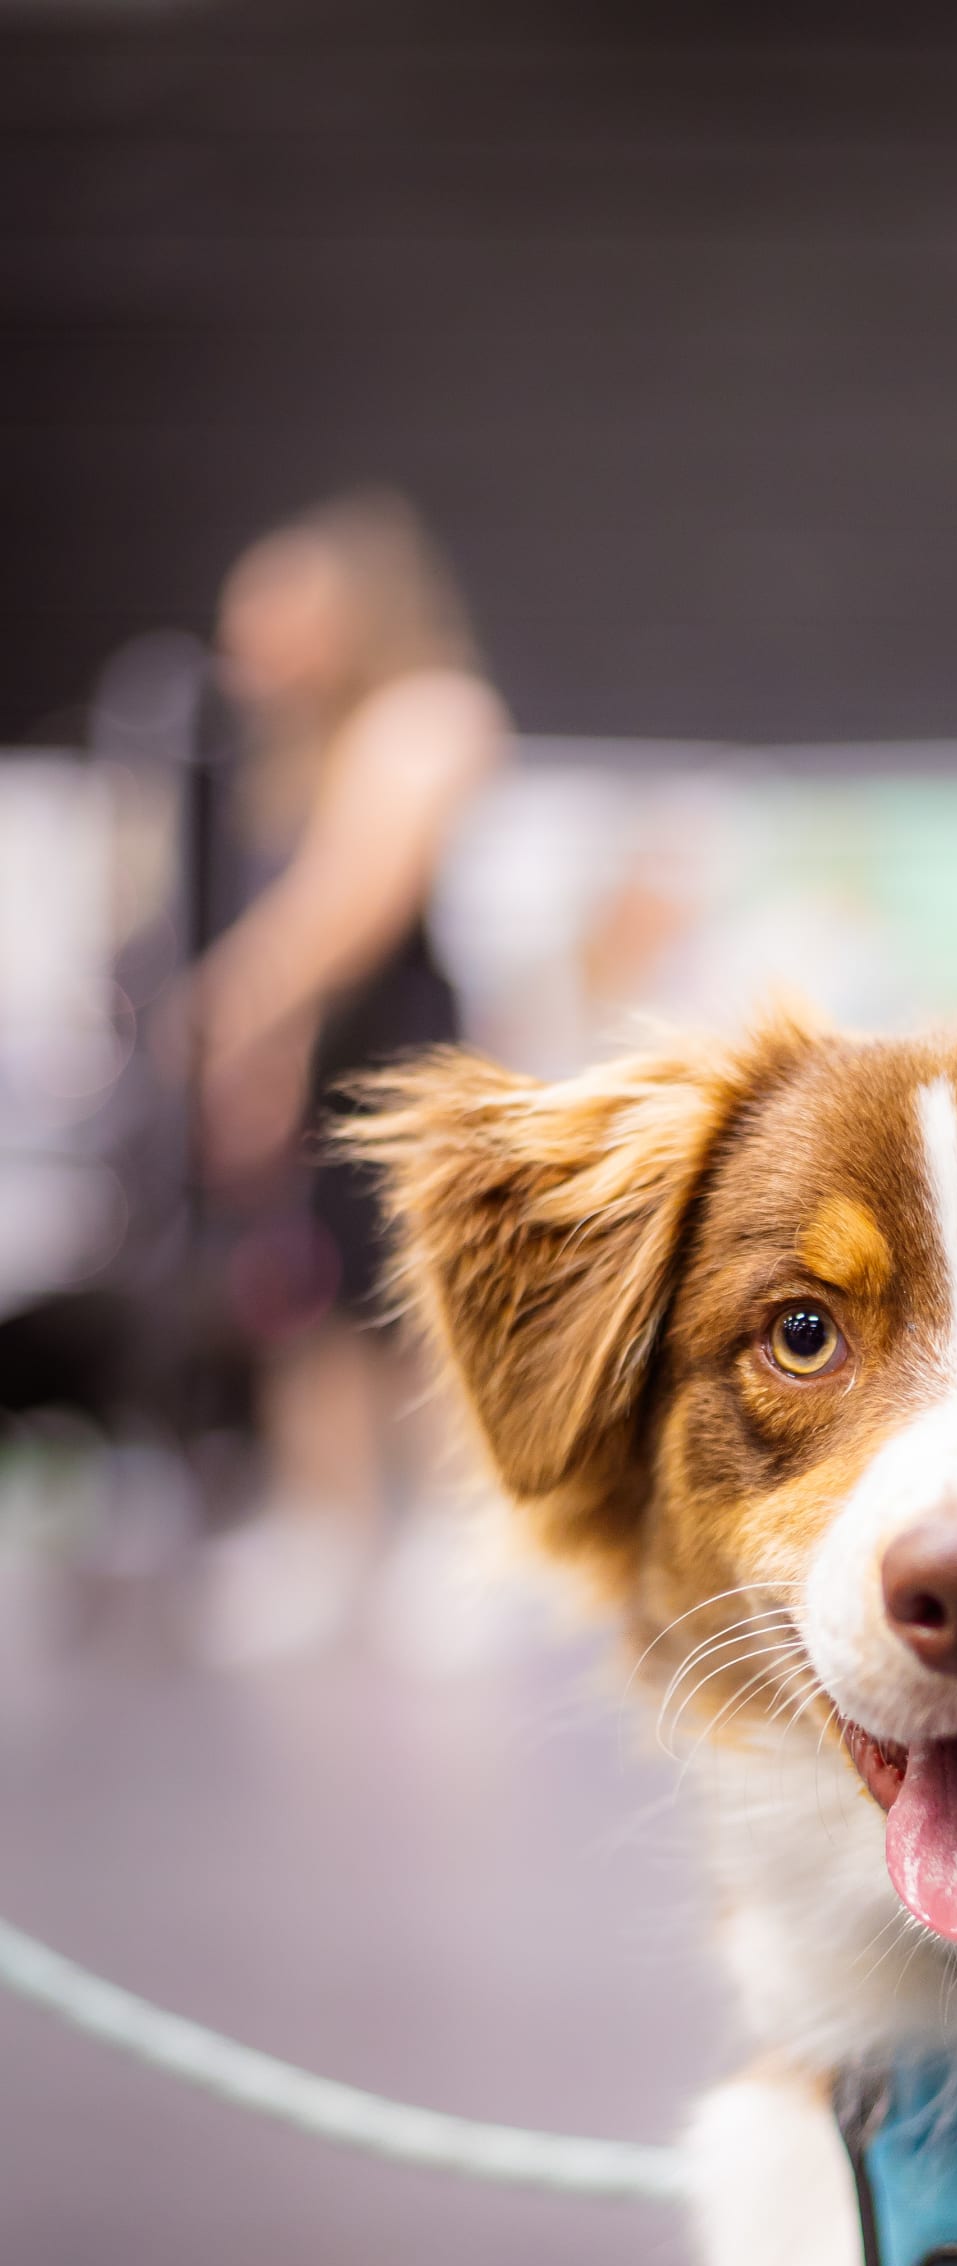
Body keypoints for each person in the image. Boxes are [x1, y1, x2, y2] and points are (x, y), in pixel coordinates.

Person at [192, 490, 507, 1666]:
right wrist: (259, 1064)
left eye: (272, 613)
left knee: (416, 1307)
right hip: (312, 1061)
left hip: (401, 1062)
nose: (249, 647)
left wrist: (234, 1004)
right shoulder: (282, 753)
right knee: (301, 1303)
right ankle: (326, 1531)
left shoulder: (428, 715)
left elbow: (352, 903)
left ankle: (451, 1547)